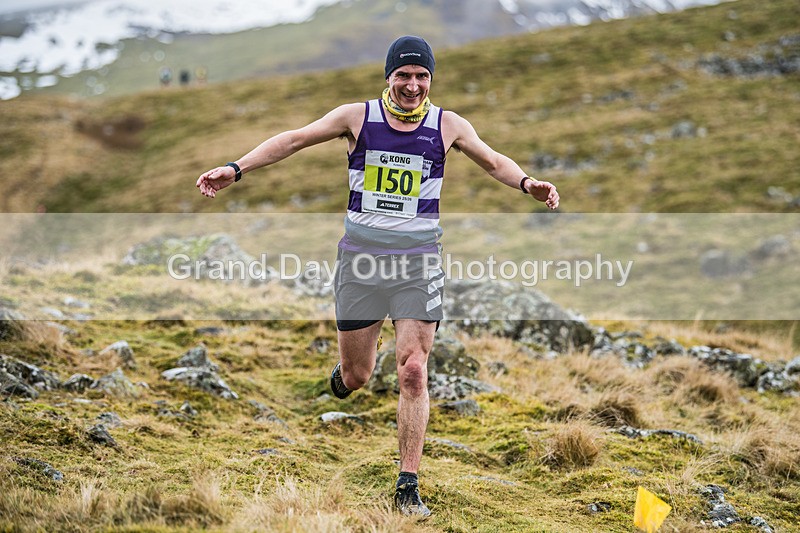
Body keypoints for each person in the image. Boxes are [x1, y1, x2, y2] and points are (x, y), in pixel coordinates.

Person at [196, 35, 559, 517]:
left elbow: (493, 161)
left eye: (422, 76)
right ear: (388, 77)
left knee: (413, 370)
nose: (413, 85)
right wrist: (235, 168)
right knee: (359, 374)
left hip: (418, 263)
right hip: (361, 263)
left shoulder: (447, 124)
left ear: (431, 79)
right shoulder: (357, 117)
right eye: (403, 75)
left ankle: (407, 485)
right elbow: (294, 139)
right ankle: (347, 375)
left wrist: (528, 183)